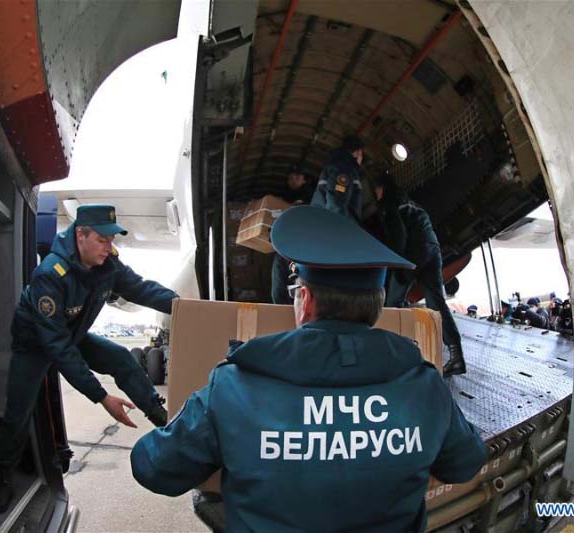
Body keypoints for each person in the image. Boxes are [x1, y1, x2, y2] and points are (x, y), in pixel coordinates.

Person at [131, 206, 487, 532]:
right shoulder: (425, 387)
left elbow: (154, 469)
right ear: (377, 307)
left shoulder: (234, 386)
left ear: (306, 299)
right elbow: (466, 463)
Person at [0, 204, 178, 513]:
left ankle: (161, 417)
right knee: (19, 411)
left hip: (72, 333)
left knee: (120, 358)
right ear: (81, 235)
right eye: (103, 239)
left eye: (112, 239)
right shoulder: (50, 275)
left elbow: (142, 290)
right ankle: (5, 473)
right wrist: (102, 397)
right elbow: (58, 349)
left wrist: (188, 306)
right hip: (37, 344)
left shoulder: (107, 265)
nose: (110, 246)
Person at [385, 200, 467, 377]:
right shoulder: (416, 207)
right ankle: (456, 355)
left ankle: (397, 356)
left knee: (392, 304)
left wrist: (399, 270)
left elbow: (399, 237)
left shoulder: (392, 207)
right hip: (432, 250)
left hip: (414, 252)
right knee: (437, 303)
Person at [271, 165, 314, 304]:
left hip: (303, 248)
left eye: (297, 177)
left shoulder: (311, 197)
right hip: (284, 246)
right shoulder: (282, 197)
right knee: (279, 283)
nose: (293, 180)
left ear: (304, 179)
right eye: (291, 178)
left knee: (300, 282)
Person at [311, 134, 366, 221]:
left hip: (322, 221)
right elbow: (336, 202)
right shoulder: (344, 167)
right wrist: (339, 228)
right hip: (334, 226)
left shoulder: (336, 165)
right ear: (358, 152)